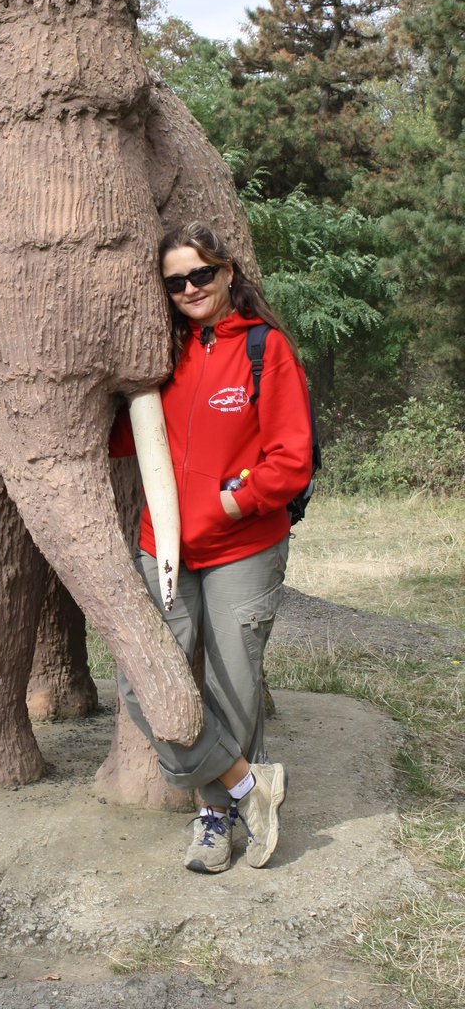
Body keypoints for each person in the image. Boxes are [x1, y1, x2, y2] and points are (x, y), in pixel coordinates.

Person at [110, 222, 314, 874]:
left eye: (202, 274)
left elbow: (292, 459)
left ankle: (214, 818)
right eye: (176, 281)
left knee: (231, 687)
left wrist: (231, 501)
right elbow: (126, 443)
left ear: (228, 273)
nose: (191, 288)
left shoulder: (264, 348)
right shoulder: (158, 355)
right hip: (160, 542)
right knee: (146, 681)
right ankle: (250, 785)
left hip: (243, 546)